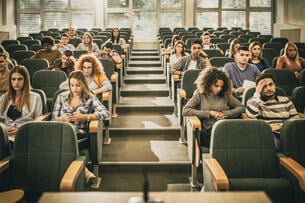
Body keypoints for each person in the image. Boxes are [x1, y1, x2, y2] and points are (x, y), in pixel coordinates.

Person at [52, 70, 111, 183]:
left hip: (80, 135)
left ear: (84, 84)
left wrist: (85, 117)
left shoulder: (90, 97)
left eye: (78, 85)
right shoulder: (61, 97)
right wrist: (61, 119)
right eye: (72, 85)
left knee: (62, 147)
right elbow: (53, 120)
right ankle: (86, 173)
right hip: (61, 133)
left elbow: (105, 113)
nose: (75, 88)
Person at [182, 68, 245, 147]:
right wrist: (209, 113)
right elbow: (186, 110)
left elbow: (241, 107)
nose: (219, 89)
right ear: (208, 84)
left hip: (226, 127)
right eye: (216, 86)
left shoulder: (225, 94)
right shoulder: (200, 94)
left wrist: (225, 114)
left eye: (221, 86)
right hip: (209, 131)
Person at [246, 73, 299, 150]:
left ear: (275, 85)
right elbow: (251, 114)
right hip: (270, 134)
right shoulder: (255, 101)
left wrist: (280, 126)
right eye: (264, 86)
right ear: (259, 88)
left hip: (288, 133)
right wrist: (257, 93)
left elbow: (295, 120)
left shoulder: (286, 100)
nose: (268, 88)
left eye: (271, 85)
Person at [0, 65, 42, 144]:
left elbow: (38, 121)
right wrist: (4, 131)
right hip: (5, 136)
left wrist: (21, 130)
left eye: (20, 79)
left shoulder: (35, 97)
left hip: (25, 134)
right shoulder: (3, 98)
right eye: (13, 79)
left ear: (25, 80)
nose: (16, 82)